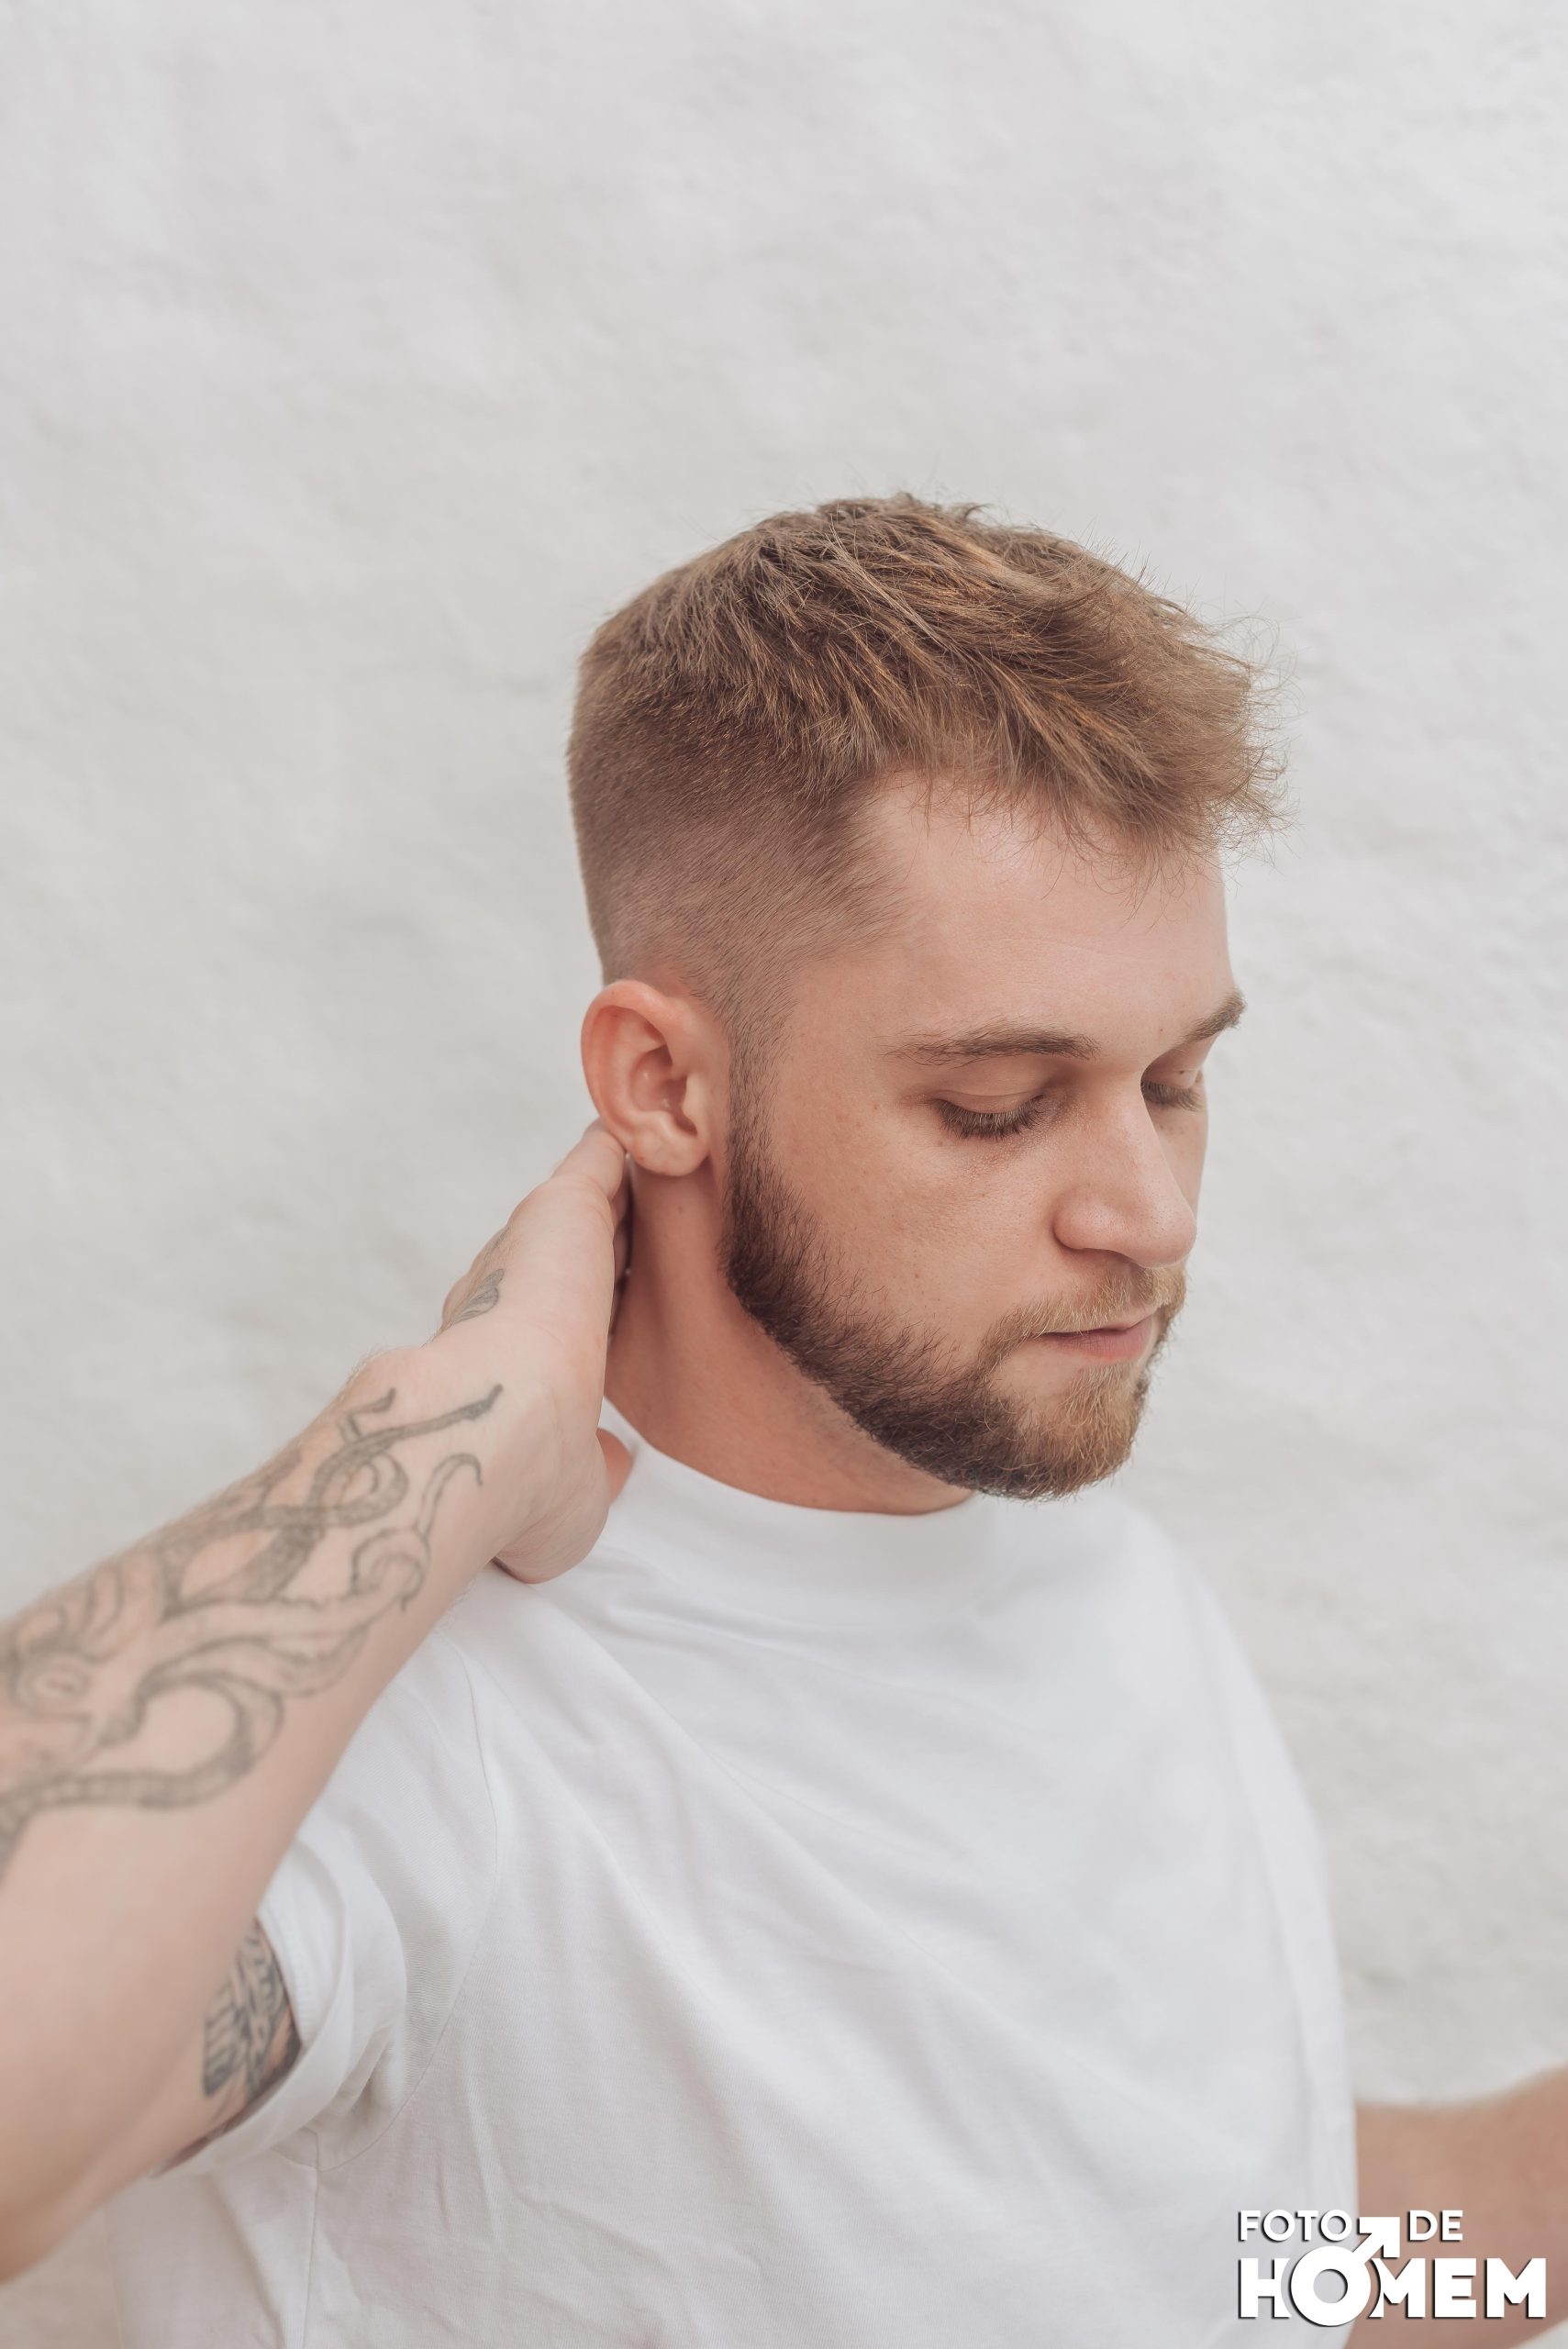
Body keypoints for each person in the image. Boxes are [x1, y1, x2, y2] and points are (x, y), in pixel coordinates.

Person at [0, 496, 1557, 2344]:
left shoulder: (1116, 1591)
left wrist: (1530, 2206)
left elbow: (1216, 2255)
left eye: (1176, 1078)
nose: (1148, 1212)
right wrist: (440, 1428)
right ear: (664, 1082)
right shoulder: (421, 1734)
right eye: (998, 1103)